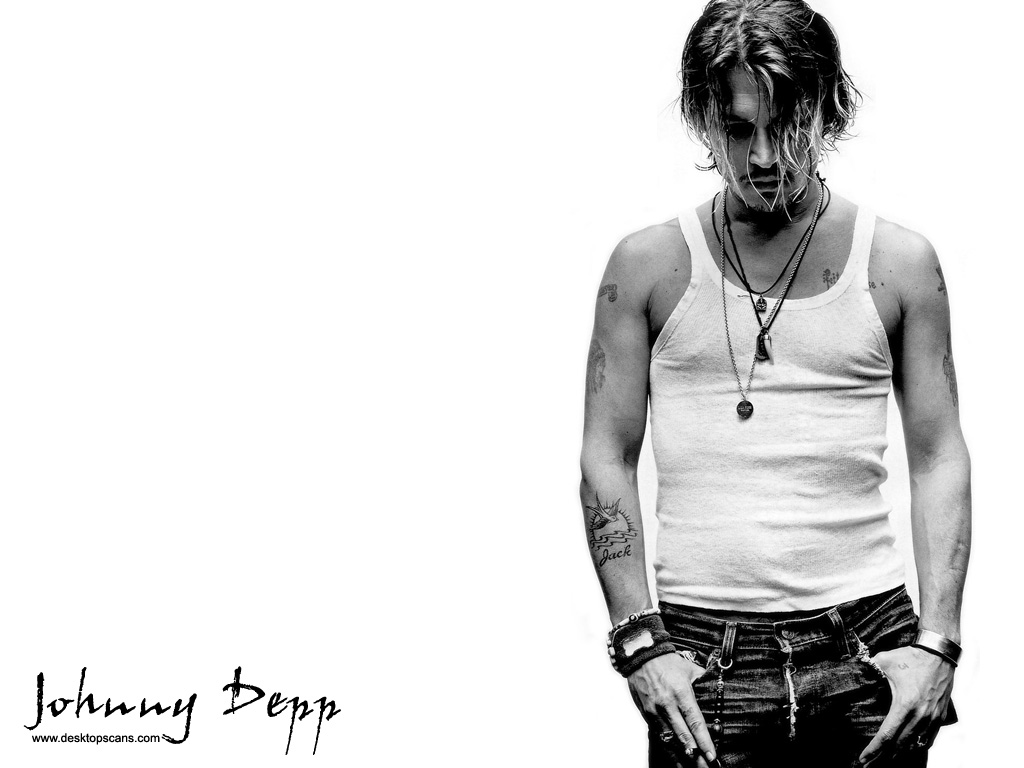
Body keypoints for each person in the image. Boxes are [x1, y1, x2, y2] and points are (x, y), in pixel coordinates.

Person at [578, 2, 971, 766]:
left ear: (828, 109)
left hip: (868, 649)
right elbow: (606, 455)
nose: (762, 157)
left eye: (785, 125)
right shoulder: (647, 267)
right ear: (703, 119)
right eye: (737, 129)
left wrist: (938, 644)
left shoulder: (899, 263)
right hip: (704, 659)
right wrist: (639, 641)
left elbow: (938, 455)